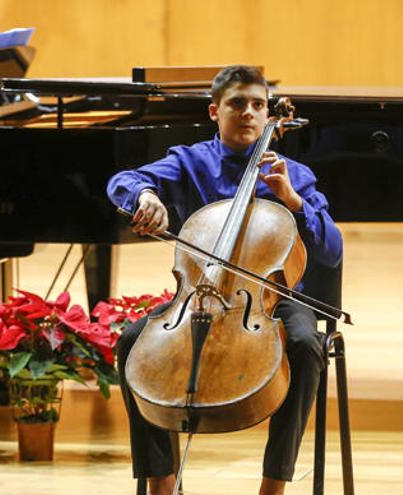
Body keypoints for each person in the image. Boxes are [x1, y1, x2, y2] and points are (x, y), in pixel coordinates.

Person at [106, 65, 343, 495]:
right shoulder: (190, 160)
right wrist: (144, 196)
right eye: (237, 103)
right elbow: (124, 181)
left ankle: (274, 484)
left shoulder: (293, 174)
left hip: (272, 298)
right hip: (197, 296)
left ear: (270, 115)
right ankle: (161, 480)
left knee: (307, 347)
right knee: (130, 343)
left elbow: (332, 251)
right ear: (215, 111)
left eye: (258, 105)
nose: (249, 113)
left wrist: (291, 199)